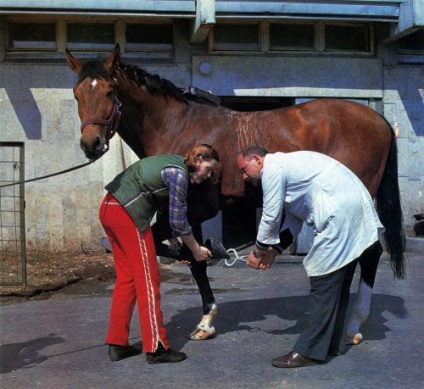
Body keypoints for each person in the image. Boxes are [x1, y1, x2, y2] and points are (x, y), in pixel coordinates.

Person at [236, 146, 384, 368]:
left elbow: (271, 215)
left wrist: (258, 250)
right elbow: (294, 220)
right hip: (350, 204)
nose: (244, 177)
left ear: (257, 160)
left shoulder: (273, 169)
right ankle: (332, 344)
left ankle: (309, 351)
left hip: (339, 209)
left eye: (244, 170)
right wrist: (274, 251)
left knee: (323, 279)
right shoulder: (288, 168)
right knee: (338, 280)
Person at [99, 144, 222, 364]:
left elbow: (169, 216)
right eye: (209, 170)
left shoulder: (171, 164)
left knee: (127, 279)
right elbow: (178, 221)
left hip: (110, 208)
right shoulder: (179, 175)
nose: (209, 176)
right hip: (128, 214)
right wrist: (195, 248)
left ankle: (117, 344)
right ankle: (156, 347)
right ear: (198, 159)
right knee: (149, 280)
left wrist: (177, 248)